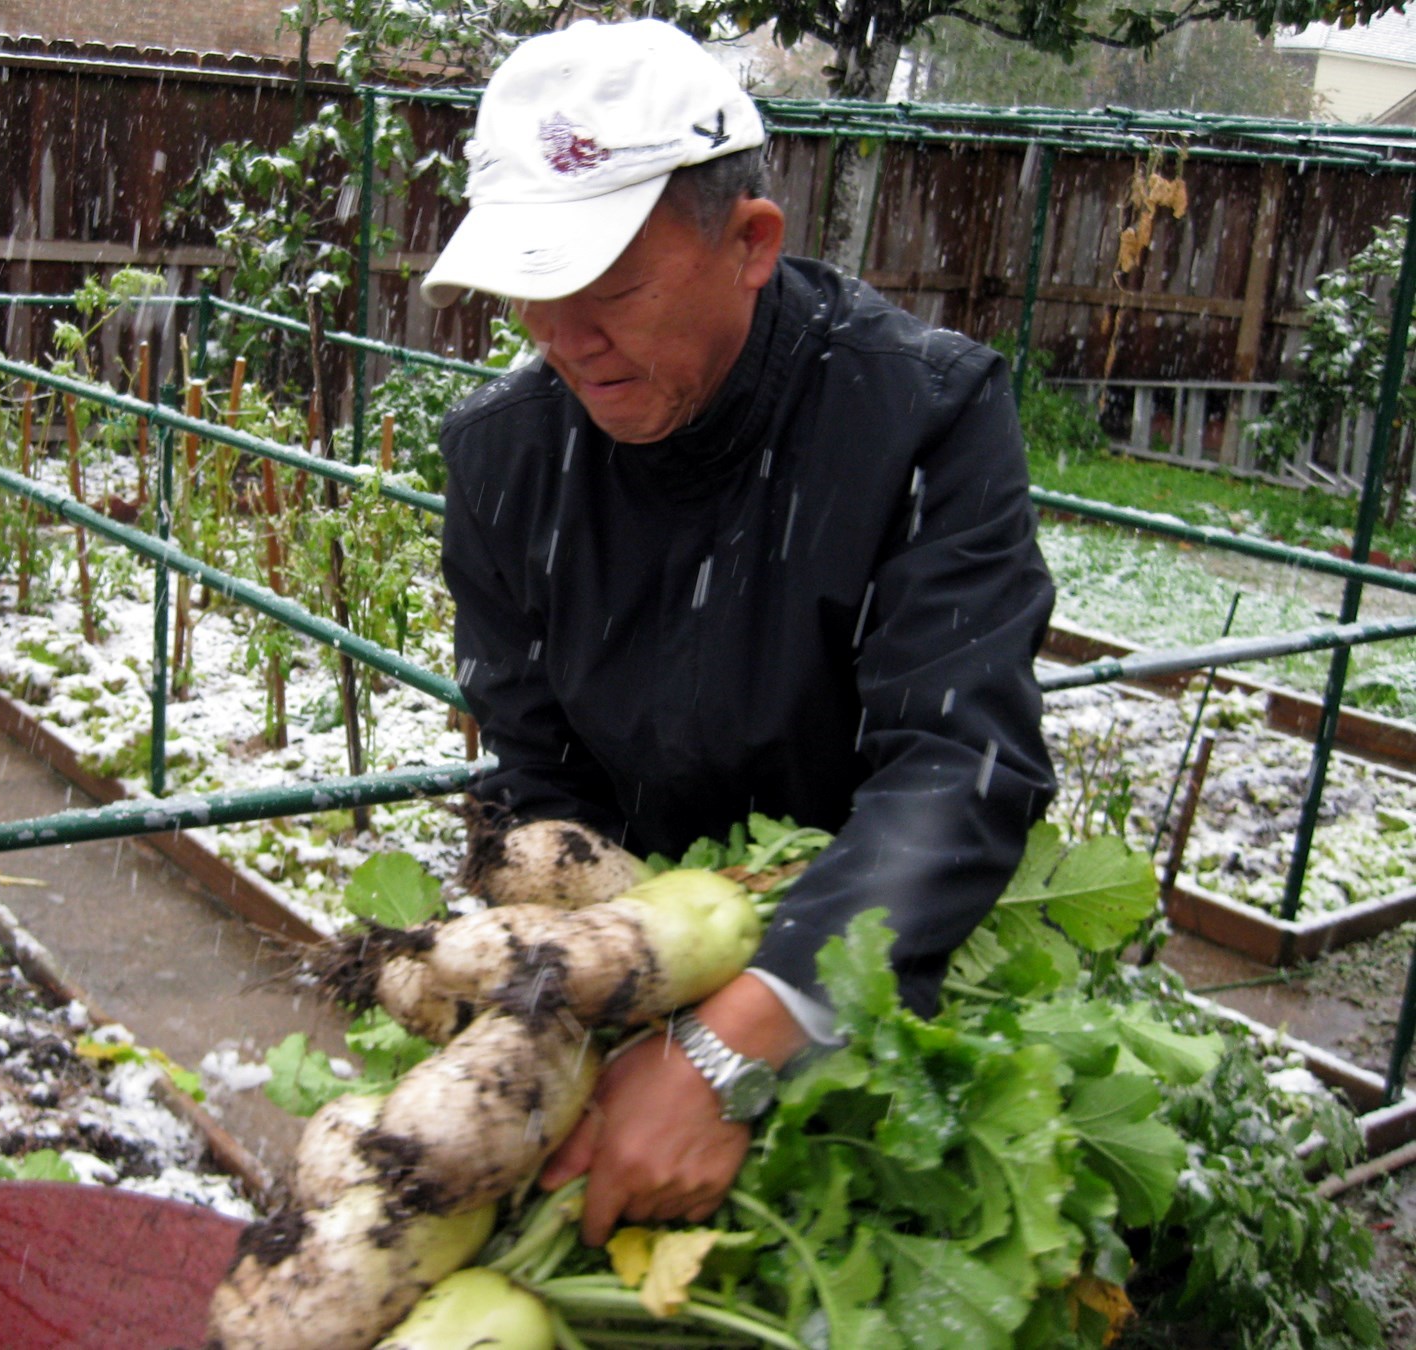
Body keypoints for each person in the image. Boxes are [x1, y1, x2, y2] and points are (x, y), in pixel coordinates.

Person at [420, 17, 1056, 1246]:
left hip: (875, 960)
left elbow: (957, 764)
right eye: (529, 289)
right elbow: (539, 773)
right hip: (625, 970)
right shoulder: (504, 458)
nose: (561, 337)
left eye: (608, 288)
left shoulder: (921, 417)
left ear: (751, 242)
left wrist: (735, 1042)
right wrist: (585, 998)